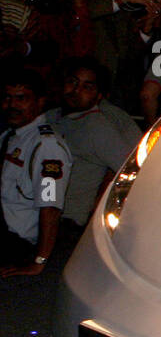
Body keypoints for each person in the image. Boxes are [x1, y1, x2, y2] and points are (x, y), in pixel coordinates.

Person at [53, 57, 140, 231]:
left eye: (87, 87)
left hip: (68, 221)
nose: (76, 90)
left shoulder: (98, 126)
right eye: (72, 82)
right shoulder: (52, 116)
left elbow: (133, 169)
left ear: (100, 95)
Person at [1, 67, 72, 275]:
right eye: (7, 98)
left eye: (21, 98)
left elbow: (50, 206)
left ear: (40, 102)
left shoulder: (46, 146)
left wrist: (38, 261)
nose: (11, 105)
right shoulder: (11, 136)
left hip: (18, 239)